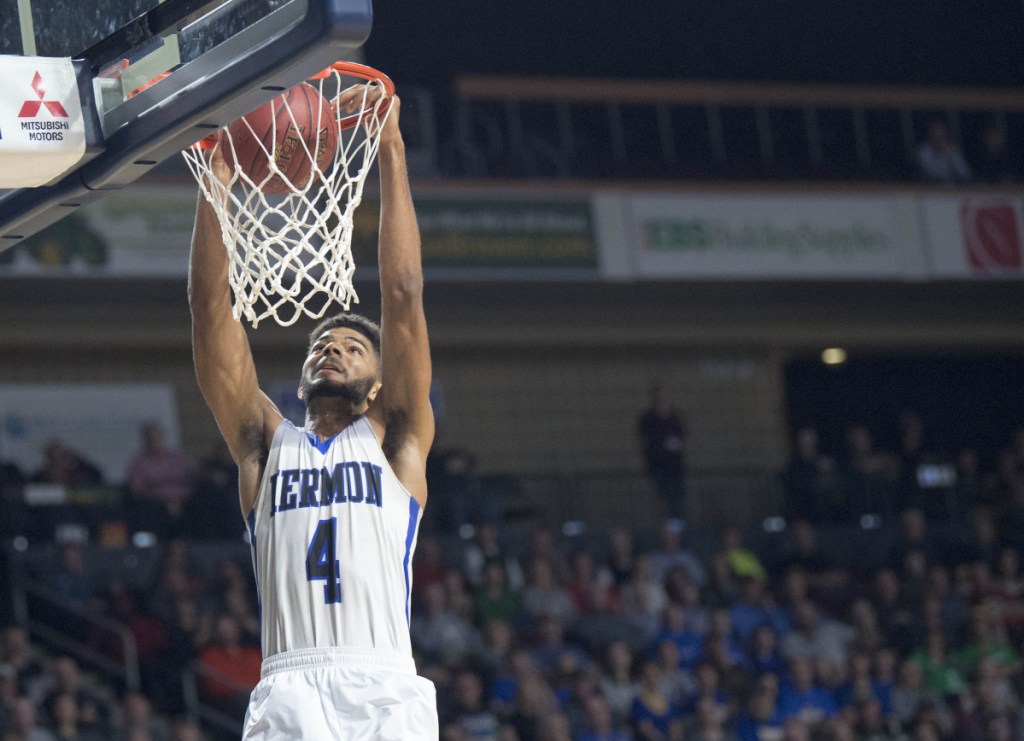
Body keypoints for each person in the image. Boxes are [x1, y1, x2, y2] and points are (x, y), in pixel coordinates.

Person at [188, 82, 438, 736]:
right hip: (290, 684)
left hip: (384, 681)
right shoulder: (265, 444)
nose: (331, 348)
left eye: (353, 346)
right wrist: (217, 181)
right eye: (322, 344)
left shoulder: (398, 444)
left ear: (379, 385)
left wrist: (390, 150)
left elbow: (405, 294)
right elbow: (210, 315)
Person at [637, 383, 687, 519]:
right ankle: (663, 523)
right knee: (661, 496)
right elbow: (643, 441)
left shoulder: (675, 417)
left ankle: (677, 522)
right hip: (657, 464)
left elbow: (682, 438)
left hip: (675, 465)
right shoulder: (648, 419)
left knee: (676, 496)